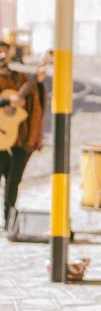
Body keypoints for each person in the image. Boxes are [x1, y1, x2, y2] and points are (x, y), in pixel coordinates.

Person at [0, 41, 47, 228]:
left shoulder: (20, 78)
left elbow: (37, 101)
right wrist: (5, 102)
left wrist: (40, 83)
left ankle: (8, 219)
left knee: (14, 181)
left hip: (20, 138)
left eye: (5, 53)